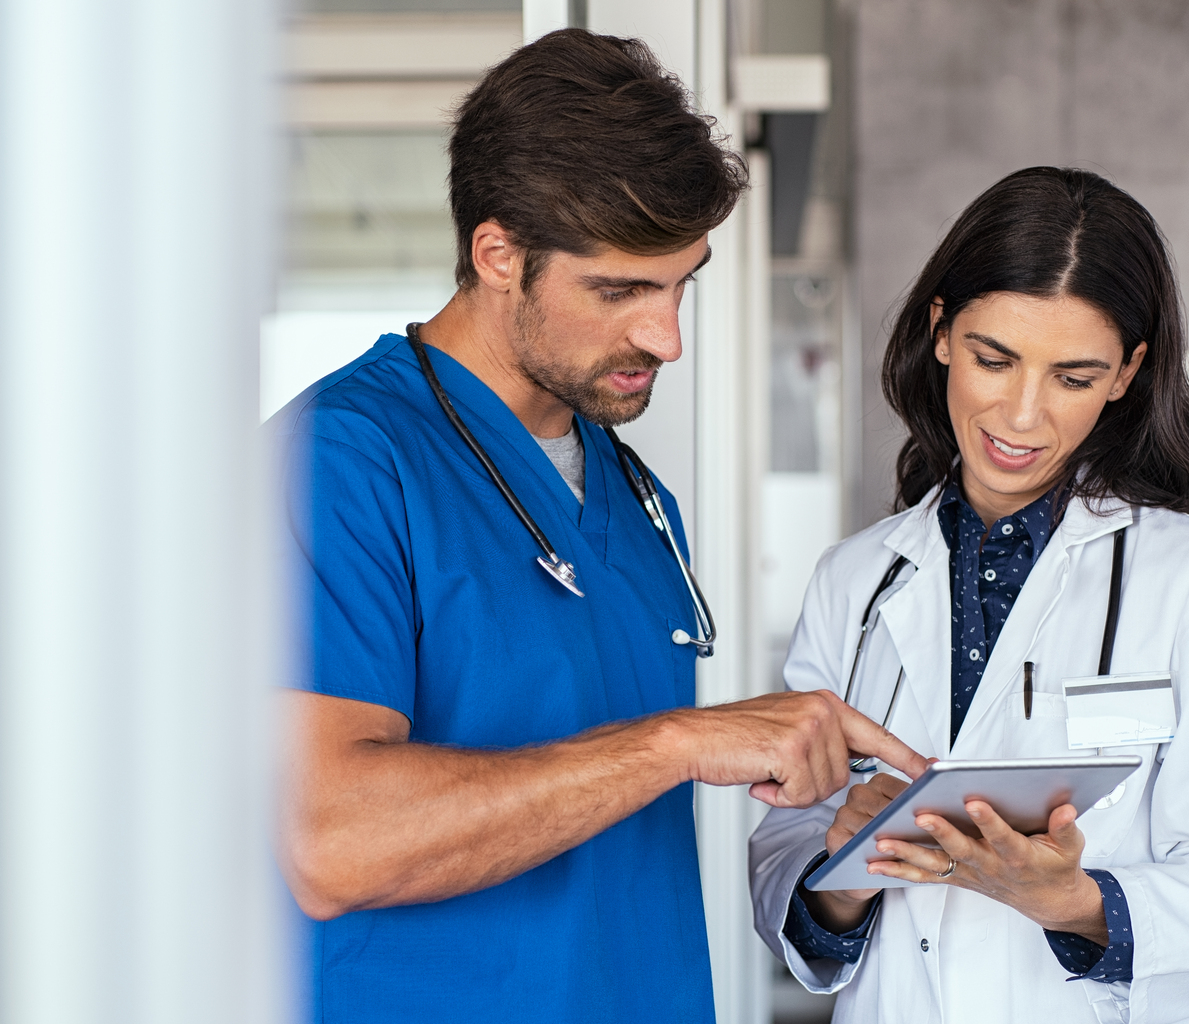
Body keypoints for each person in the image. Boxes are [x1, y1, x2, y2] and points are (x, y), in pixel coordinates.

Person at [271, 30, 924, 1024]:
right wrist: (675, 743)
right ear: (498, 254)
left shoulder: (636, 497)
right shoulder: (338, 464)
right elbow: (329, 842)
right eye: (620, 290)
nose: (665, 337)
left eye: (680, 284)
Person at [749, 167, 1189, 1023]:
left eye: (1073, 377)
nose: (1022, 415)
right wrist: (844, 867)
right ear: (941, 332)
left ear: (1127, 373)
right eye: (994, 359)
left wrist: (1073, 901)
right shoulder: (857, 579)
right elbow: (782, 855)